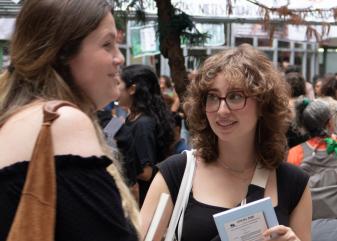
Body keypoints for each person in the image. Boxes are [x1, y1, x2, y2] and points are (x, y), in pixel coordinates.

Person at [140, 44, 312, 241]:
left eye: (235, 96)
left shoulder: (293, 184)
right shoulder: (176, 173)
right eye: (212, 97)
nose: (221, 110)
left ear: (263, 104)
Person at [0, 0, 139, 240]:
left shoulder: (17, 119)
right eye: (107, 45)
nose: (120, 58)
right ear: (63, 53)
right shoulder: (60, 121)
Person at [115, 64, 175, 207]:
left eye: (118, 84)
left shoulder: (143, 124)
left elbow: (146, 172)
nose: (115, 89)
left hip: (142, 202)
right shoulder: (128, 116)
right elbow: (106, 136)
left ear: (132, 89)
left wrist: (115, 167)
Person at [287, 97, 337, 220]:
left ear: (305, 126)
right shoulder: (335, 144)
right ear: (329, 122)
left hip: (309, 221)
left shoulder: (295, 153)